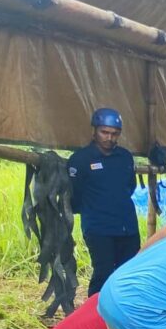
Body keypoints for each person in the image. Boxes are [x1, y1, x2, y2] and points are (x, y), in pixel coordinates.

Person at [68, 108, 139, 296]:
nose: (110, 138)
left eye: (114, 134)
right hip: (99, 229)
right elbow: (74, 196)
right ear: (94, 130)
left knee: (130, 275)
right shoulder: (80, 160)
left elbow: (129, 187)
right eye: (104, 132)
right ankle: (96, 320)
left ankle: (126, 320)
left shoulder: (125, 157)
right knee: (103, 275)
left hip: (127, 227)